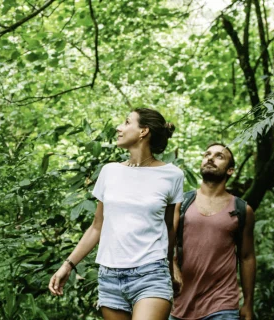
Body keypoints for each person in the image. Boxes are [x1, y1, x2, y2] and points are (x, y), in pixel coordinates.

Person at [48, 108, 184, 320]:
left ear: (143, 131)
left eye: (126, 122)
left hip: (151, 274)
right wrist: (68, 265)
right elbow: (97, 226)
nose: (119, 128)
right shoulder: (109, 171)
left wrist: (170, 267)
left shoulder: (172, 175)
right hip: (110, 277)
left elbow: (168, 228)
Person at [170, 143, 256, 320]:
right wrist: (172, 264)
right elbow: (164, 242)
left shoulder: (242, 210)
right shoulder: (182, 202)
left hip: (222, 304)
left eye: (219, 156)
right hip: (180, 303)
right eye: (207, 154)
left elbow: (247, 256)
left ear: (230, 170)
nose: (210, 158)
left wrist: (248, 303)